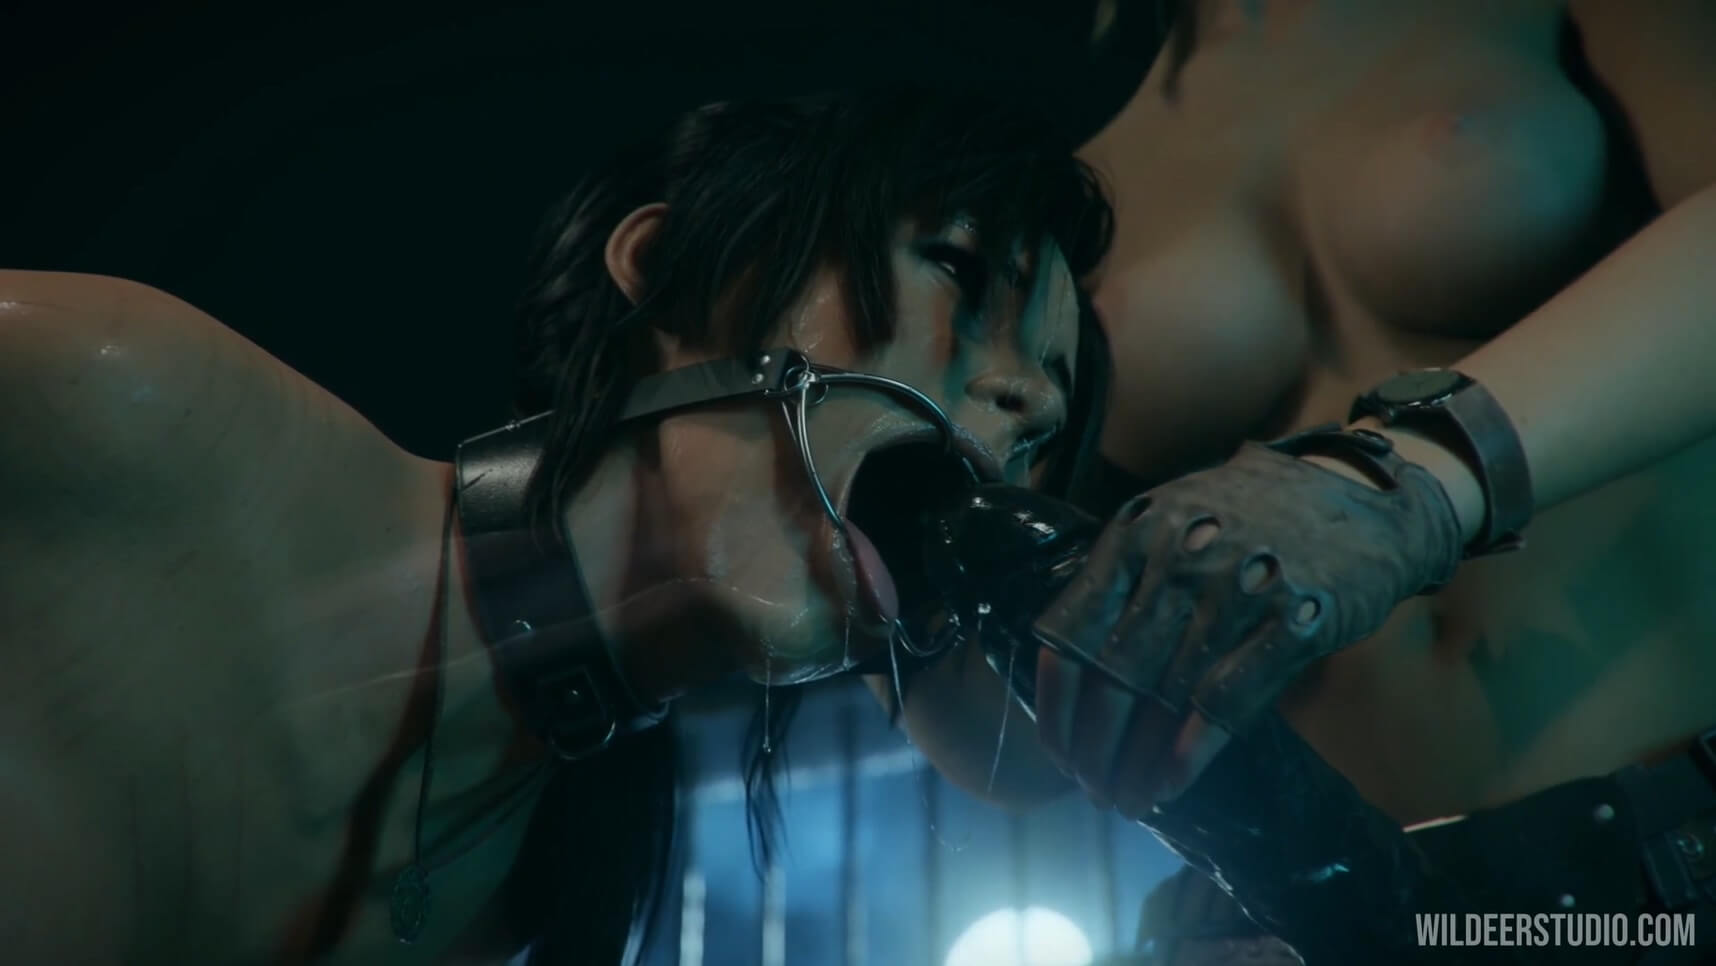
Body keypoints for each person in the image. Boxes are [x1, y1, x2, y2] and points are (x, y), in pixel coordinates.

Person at [0, 87, 1114, 965]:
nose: (1030, 406)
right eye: (957, 267)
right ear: (665, 270)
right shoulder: (113, 407)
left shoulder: (528, 887)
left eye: (1049, 415)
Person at [891, 0, 1716, 960]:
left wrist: (1398, 480)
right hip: (1299, 923)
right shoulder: (1054, 165)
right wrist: (876, 529)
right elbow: (1024, 749)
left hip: (1675, 857)